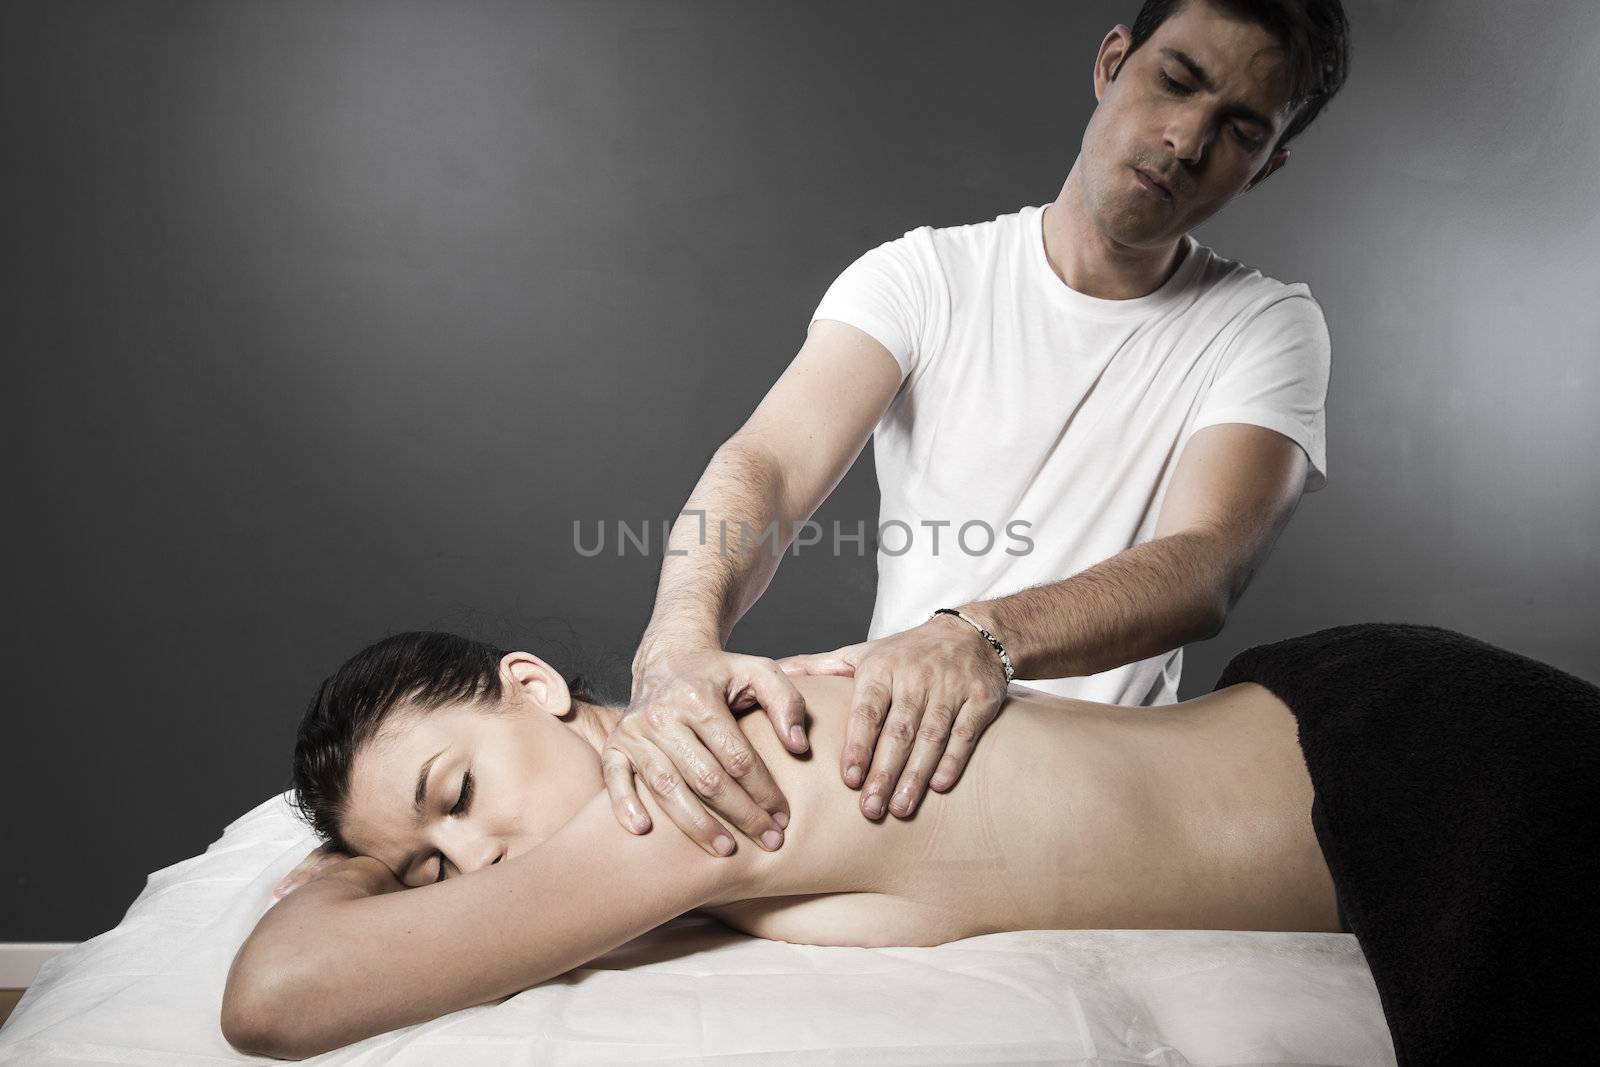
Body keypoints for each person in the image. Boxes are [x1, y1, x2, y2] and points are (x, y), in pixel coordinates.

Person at [603, 0, 1353, 860]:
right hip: (895, 773)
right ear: (1112, 63)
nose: (1186, 140)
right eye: (1174, 81)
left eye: (1239, 130)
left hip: (1110, 800)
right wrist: (676, 643)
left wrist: (983, 638)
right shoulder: (923, 277)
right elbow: (768, 464)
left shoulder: (1267, 326)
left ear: (1266, 167)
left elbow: (1209, 559)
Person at [226, 626, 1338, 1058]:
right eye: (430, 868)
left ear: (534, 685)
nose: (470, 864)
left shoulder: (685, 781)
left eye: (456, 791)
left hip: (1383, 757)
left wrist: (360, 866)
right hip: (1315, 719)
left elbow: (277, 997)